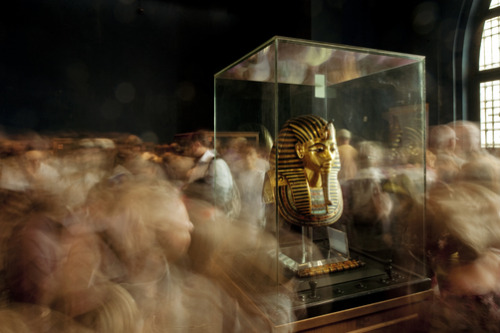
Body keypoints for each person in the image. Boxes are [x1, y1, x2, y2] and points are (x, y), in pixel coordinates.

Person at [183, 130, 240, 220]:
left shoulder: (217, 163)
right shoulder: (203, 162)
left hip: (212, 219)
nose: (189, 150)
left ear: (197, 144)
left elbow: (223, 196)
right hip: (202, 216)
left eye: (190, 146)